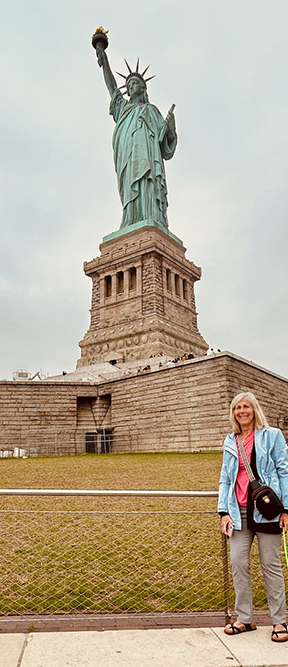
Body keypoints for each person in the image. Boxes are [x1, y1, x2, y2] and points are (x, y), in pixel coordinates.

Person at [217, 391, 288, 642]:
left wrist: (286, 509)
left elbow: (284, 471)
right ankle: (245, 618)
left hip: (267, 511)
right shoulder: (230, 440)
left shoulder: (272, 436)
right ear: (233, 413)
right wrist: (223, 512)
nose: (242, 411)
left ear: (254, 409)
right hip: (239, 511)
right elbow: (226, 479)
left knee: (271, 566)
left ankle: (279, 621)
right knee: (238, 564)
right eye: (237, 408)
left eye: (246, 407)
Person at [95, 42, 177, 230]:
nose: (131, 86)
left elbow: (165, 146)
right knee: (130, 185)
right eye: (129, 84)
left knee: (147, 183)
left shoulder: (151, 110)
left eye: (134, 83)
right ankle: (131, 219)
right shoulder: (122, 108)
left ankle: (151, 216)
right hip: (128, 155)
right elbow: (112, 87)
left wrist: (170, 129)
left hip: (148, 156)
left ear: (143, 88)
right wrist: (104, 60)